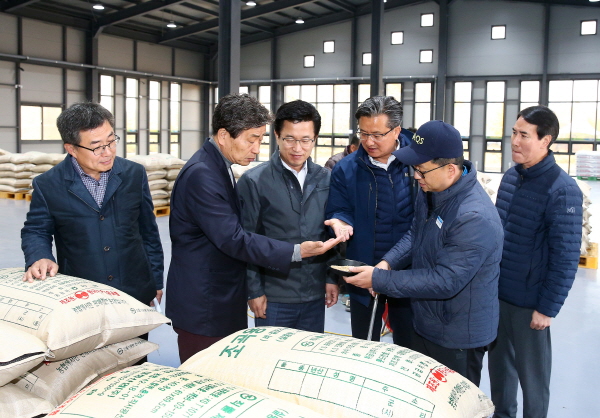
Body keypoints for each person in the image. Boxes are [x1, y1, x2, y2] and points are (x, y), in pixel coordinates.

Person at [166, 94, 341, 362]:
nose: (257, 148)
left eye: (260, 139)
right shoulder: (204, 174)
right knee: (204, 376)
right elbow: (234, 238)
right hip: (206, 304)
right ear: (224, 135)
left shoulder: (218, 166)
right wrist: (296, 251)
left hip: (221, 300)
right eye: (251, 139)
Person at [345, 120, 504, 386]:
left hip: (456, 335)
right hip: (427, 321)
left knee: (453, 402)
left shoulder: (473, 217)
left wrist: (379, 279)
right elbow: (415, 234)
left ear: (450, 169)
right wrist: (387, 263)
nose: (416, 176)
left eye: (421, 170)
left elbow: (446, 280)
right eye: (414, 169)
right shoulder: (433, 190)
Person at [488, 106, 583, 418]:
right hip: (499, 296)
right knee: (500, 373)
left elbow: (566, 256)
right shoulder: (511, 177)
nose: (515, 141)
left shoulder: (562, 190)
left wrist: (547, 308)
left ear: (546, 140)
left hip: (531, 306)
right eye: (514, 133)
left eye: (524, 135)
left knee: (534, 381)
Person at [21, 102, 164, 306]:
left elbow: (148, 231)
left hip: (134, 288)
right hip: (82, 292)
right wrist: (40, 256)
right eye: (97, 147)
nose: (108, 152)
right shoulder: (48, 184)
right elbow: (36, 230)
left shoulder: (134, 174)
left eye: (111, 141)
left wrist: (155, 282)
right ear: (71, 148)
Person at [237, 100, 338, 333]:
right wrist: (254, 290)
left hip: (314, 294)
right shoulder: (254, 181)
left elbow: (330, 234)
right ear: (276, 136)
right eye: (289, 139)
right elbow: (246, 240)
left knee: (309, 354)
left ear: (315, 138)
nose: (297, 148)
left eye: (306, 140)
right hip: (274, 296)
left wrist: (331, 277)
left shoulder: (325, 179)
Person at [325, 95, 415, 347]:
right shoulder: (346, 169)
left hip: (410, 272)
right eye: (363, 134)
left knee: (409, 347)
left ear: (396, 130)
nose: (369, 141)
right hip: (363, 272)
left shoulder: (417, 162)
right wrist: (339, 221)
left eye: (377, 134)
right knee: (364, 347)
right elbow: (339, 209)